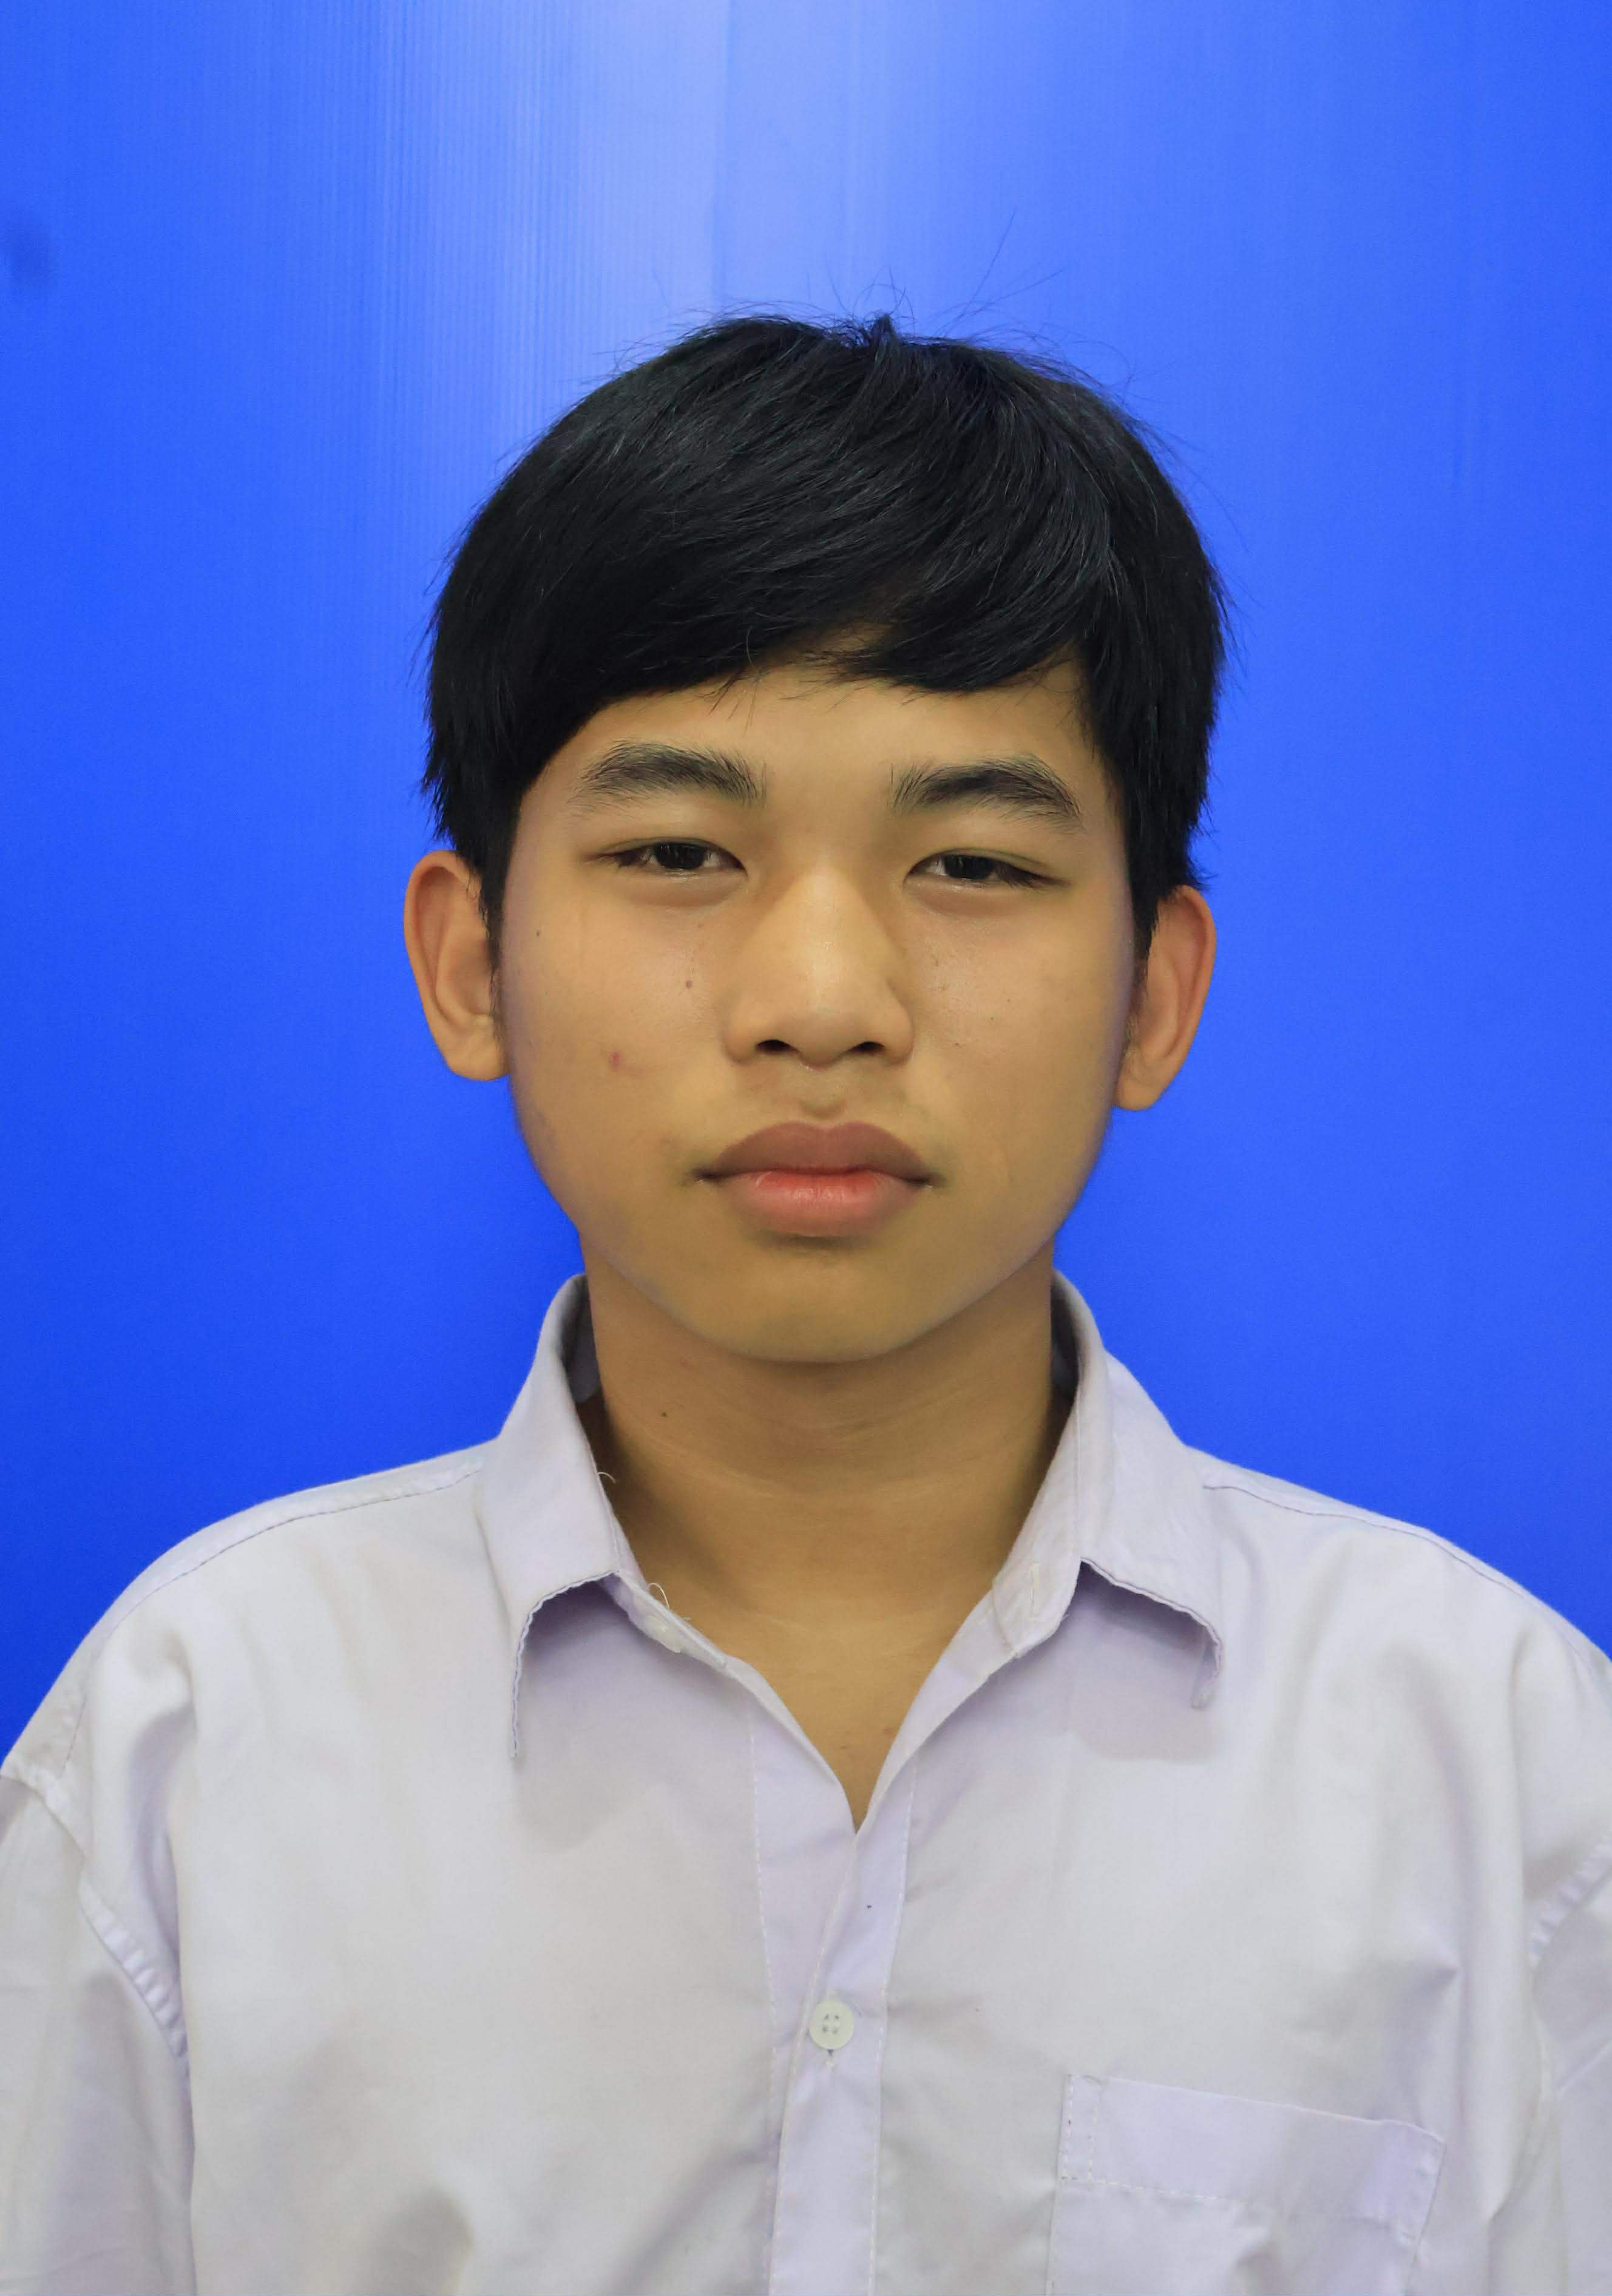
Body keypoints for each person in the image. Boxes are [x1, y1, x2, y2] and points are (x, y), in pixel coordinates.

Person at [2, 314, 1608, 2296]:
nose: (823, 998)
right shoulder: (191, 1746)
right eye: (680, 850)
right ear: (471, 963)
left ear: (1158, 991)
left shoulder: (1500, 1775)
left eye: (974, 864)